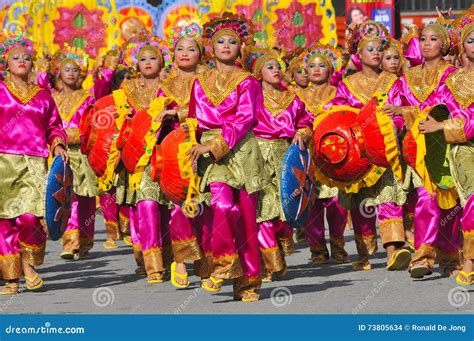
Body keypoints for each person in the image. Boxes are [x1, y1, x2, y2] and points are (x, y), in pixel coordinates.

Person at [186, 12, 269, 302]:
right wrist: (188, 145)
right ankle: (222, 265)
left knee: (246, 218)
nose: (225, 46)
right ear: (210, 46)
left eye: (231, 42)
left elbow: (246, 118)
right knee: (222, 206)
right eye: (219, 41)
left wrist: (214, 145)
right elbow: (192, 120)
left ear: (240, 48)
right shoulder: (200, 82)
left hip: (242, 150)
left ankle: (247, 283)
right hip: (210, 155)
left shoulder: (248, 82)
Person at [330, 21, 411, 271]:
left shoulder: (392, 80)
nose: (376, 53)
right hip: (357, 151)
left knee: (389, 198)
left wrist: (393, 122)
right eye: (370, 49)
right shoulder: (347, 84)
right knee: (361, 203)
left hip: (385, 147)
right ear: (358, 55)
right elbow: (337, 113)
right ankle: (364, 254)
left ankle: (393, 250)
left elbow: (399, 110)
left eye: (379, 49)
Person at [0, 33, 68, 294]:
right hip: (3, 162)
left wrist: (58, 144)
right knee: (5, 221)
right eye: (15, 57)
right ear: (5, 63)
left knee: (30, 218)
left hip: (35, 163)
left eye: (26, 58)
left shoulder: (43, 96)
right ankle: (10, 277)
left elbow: (54, 126)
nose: (21, 61)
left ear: (33, 64)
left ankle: (29, 265)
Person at [398, 22, 462, 279]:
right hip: (416, 147)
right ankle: (422, 255)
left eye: (433, 39)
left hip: (446, 145)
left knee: (450, 203)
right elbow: (395, 108)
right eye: (422, 38)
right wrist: (396, 116)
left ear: (443, 45)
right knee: (425, 197)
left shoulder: (454, 76)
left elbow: (457, 111)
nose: (425, 43)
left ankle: (449, 254)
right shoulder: (407, 77)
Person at [244, 46, 312, 281]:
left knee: (285, 207)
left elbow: (305, 123)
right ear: (258, 73)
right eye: (269, 67)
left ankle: (279, 249)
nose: (275, 70)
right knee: (263, 209)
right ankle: (271, 263)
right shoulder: (250, 97)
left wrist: (301, 135)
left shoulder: (293, 99)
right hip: (257, 154)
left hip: (285, 154)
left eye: (277, 67)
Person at [155, 21, 214, 289]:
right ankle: (180, 258)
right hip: (175, 152)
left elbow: (211, 112)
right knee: (180, 204)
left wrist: (176, 113)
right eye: (180, 48)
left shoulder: (210, 80)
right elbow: (155, 117)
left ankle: (207, 261)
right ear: (173, 53)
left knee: (207, 205)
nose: (185, 53)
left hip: (205, 145)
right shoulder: (164, 84)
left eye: (192, 49)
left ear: (201, 54)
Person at [299, 43, 350, 264]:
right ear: (305, 71)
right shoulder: (296, 95)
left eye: (322, 65)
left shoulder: (339, 93)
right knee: (311, 205)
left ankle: (339, 248)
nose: (316, 69)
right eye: (311, 66)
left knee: (336, 204)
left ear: (331, 70)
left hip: (333, 154)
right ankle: (317, 250)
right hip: (307, 156)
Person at [51, 46, 98, 260]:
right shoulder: (51, 99)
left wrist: (73, 136)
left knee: (86, 199)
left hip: (82, 154)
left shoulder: (88, 99)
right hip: (61, 155)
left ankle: (85, 240)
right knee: (68, 198)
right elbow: (48, 125)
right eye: (66, 69)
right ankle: (70, 243)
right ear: (59, 73)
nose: (71, 73)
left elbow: (92, 128)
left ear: (81, 74)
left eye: (75, 70)